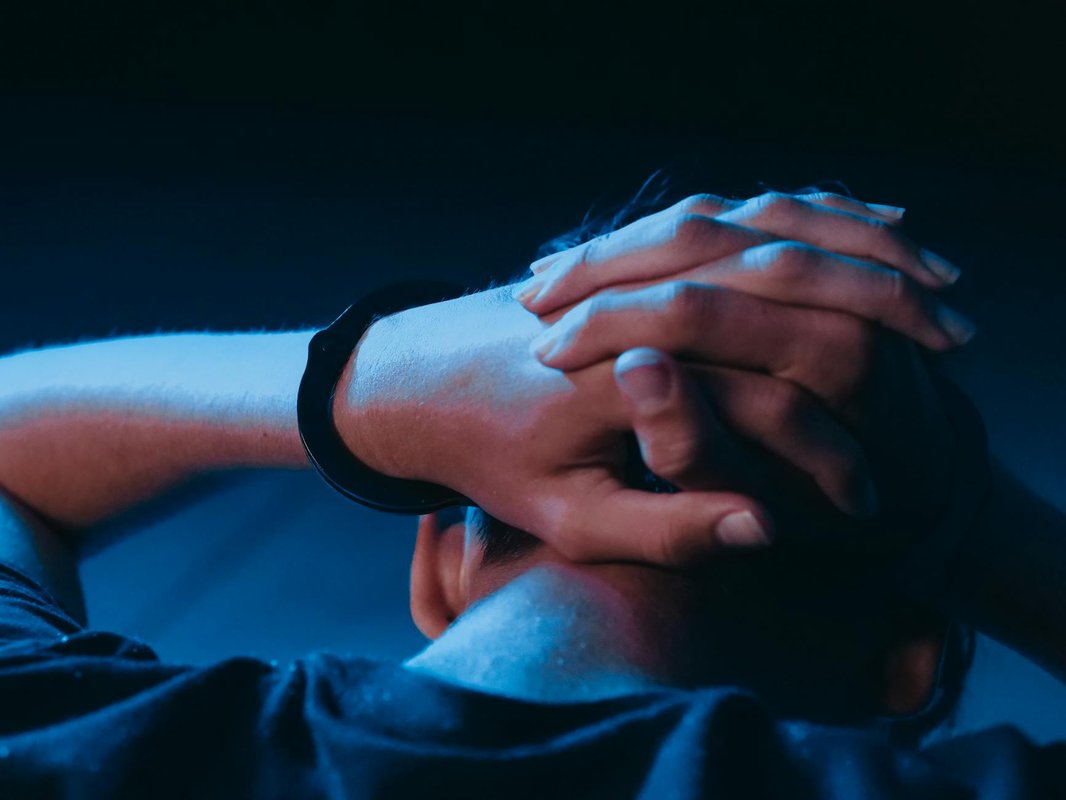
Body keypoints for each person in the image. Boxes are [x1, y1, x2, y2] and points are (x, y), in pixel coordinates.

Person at [0, 189, 1062, 798]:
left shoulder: (59, 737)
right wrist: (971, 517)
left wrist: (365, 381)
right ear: (907, 664)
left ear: (441, 561)